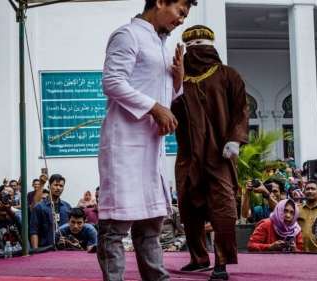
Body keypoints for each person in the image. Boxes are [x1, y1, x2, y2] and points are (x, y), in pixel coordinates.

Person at [97, 0, 196, 280]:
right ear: (161, 1)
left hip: (151, 146)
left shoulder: (161, 45)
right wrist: (155, 107)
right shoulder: (127, 35)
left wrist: (178, 81)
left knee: (152, 222)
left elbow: (163, 96)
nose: (181, 20)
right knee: (116, 225)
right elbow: (112, 81)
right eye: (180, 12)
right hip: (125, 144)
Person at [171, 24, 249, 280]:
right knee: (188, 208)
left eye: (201, 46)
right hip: (187, 156)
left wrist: (235, 140)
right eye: (191, 48)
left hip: (219, 155)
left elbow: (240, 110)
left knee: (222, 208)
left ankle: (222, 261)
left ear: (212, 47)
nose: (196, 52)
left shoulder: (229, 75)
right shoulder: (179, 77)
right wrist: (175, 81)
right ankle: (198, 257)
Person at [30, 174, 72, 249]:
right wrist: (35, 251)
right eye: (55, 185)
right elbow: (34, 231)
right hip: (45, 250)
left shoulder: (67, 207)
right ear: (49, 186)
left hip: (64, 251)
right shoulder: (39, 207)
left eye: (61, 186)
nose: (58, 188)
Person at [297, 180, 317, 252]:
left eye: (313, 189)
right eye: (307, 189)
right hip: (299, 251)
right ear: (304, 192)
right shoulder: (297, 209)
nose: (310, 191)